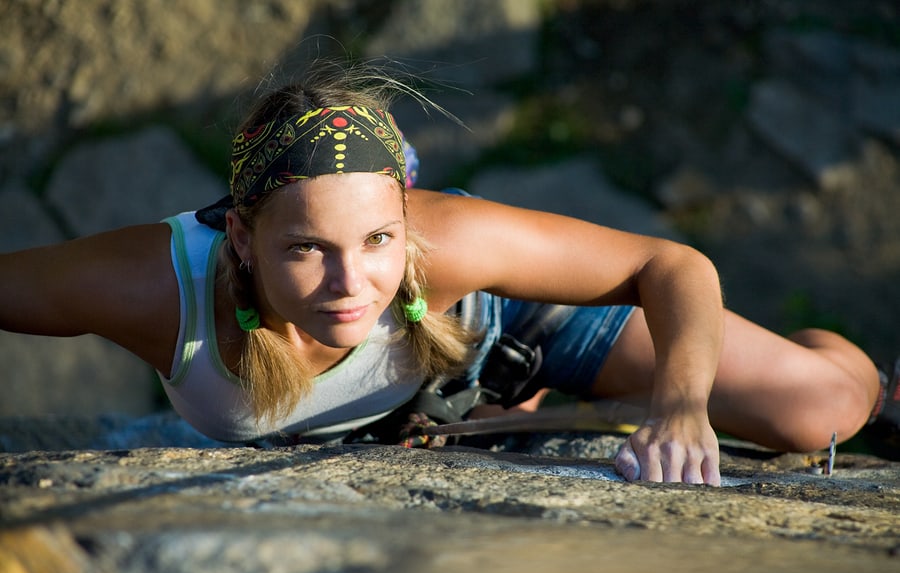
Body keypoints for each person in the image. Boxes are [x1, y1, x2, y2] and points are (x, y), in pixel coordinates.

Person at [1, 62, 896, 486]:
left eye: (380, 240)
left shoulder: (449, 239)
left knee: (820, 409)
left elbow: (672, 262)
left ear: (405, 218)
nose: (354, 282)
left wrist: (682, 402)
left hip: (510, 332)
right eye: (306, 248)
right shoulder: (153, 288)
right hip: (431, 407)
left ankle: (871, 375)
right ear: (240, 233)